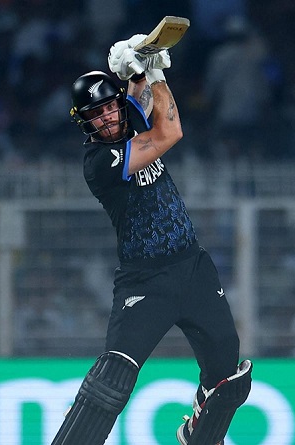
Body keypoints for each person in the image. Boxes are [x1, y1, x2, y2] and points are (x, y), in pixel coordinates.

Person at [51, 36, 252, 445]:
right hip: (145, 283)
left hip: (193, 268)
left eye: (110, 107)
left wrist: (139, 68)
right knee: (114, 377)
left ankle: (198, 434)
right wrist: (155, 71)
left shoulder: (130, 118)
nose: (107, 118)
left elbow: (139, 97)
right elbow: (170, 130)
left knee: (228, 374)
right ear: (84, 122)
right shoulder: (99, 162)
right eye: (96, 114)